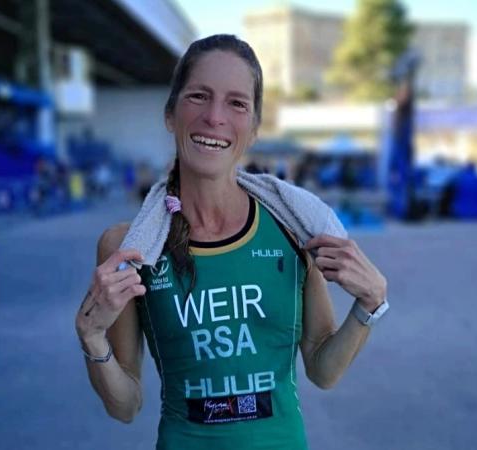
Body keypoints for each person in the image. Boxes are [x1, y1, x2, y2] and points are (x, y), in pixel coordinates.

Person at [75, 34, 389, 450]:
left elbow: (322, 369)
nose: (214, 117)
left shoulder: (294, 229)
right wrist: (92, 339)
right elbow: (126, 405)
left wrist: (370, 305)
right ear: (171, 114)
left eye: (237, 103)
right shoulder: (129, 249)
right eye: (199, 96)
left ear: (254, 129)